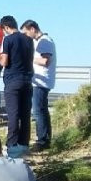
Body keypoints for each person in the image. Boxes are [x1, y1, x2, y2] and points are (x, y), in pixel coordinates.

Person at [0, 15, 34, 157]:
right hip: (27, 80)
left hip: (13, 80)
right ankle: (24, 145)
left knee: (13, 114)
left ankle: (11, 145)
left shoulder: (8, 39)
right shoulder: (29, 40)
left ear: (6, 27)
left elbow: (5, 62)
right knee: (25, 114)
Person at [20, 20, 56, 151]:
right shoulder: (40, 41)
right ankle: (44, 139)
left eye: (26, 32)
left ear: (32, 29)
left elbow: (45, 61)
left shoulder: (44, 41)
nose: (25, 36)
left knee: (38, 111)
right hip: (38, 81)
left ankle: (42, 141)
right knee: (41, 110)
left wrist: (27, 58)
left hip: (41, 82)